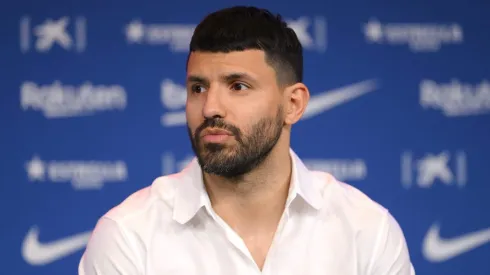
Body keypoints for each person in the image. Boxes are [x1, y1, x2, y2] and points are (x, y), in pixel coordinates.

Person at [78, 6, 415, 275]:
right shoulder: (128, 235)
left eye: (237, 86)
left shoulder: (367, 231)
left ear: (293, 104)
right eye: (198, 88)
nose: (210, 107)